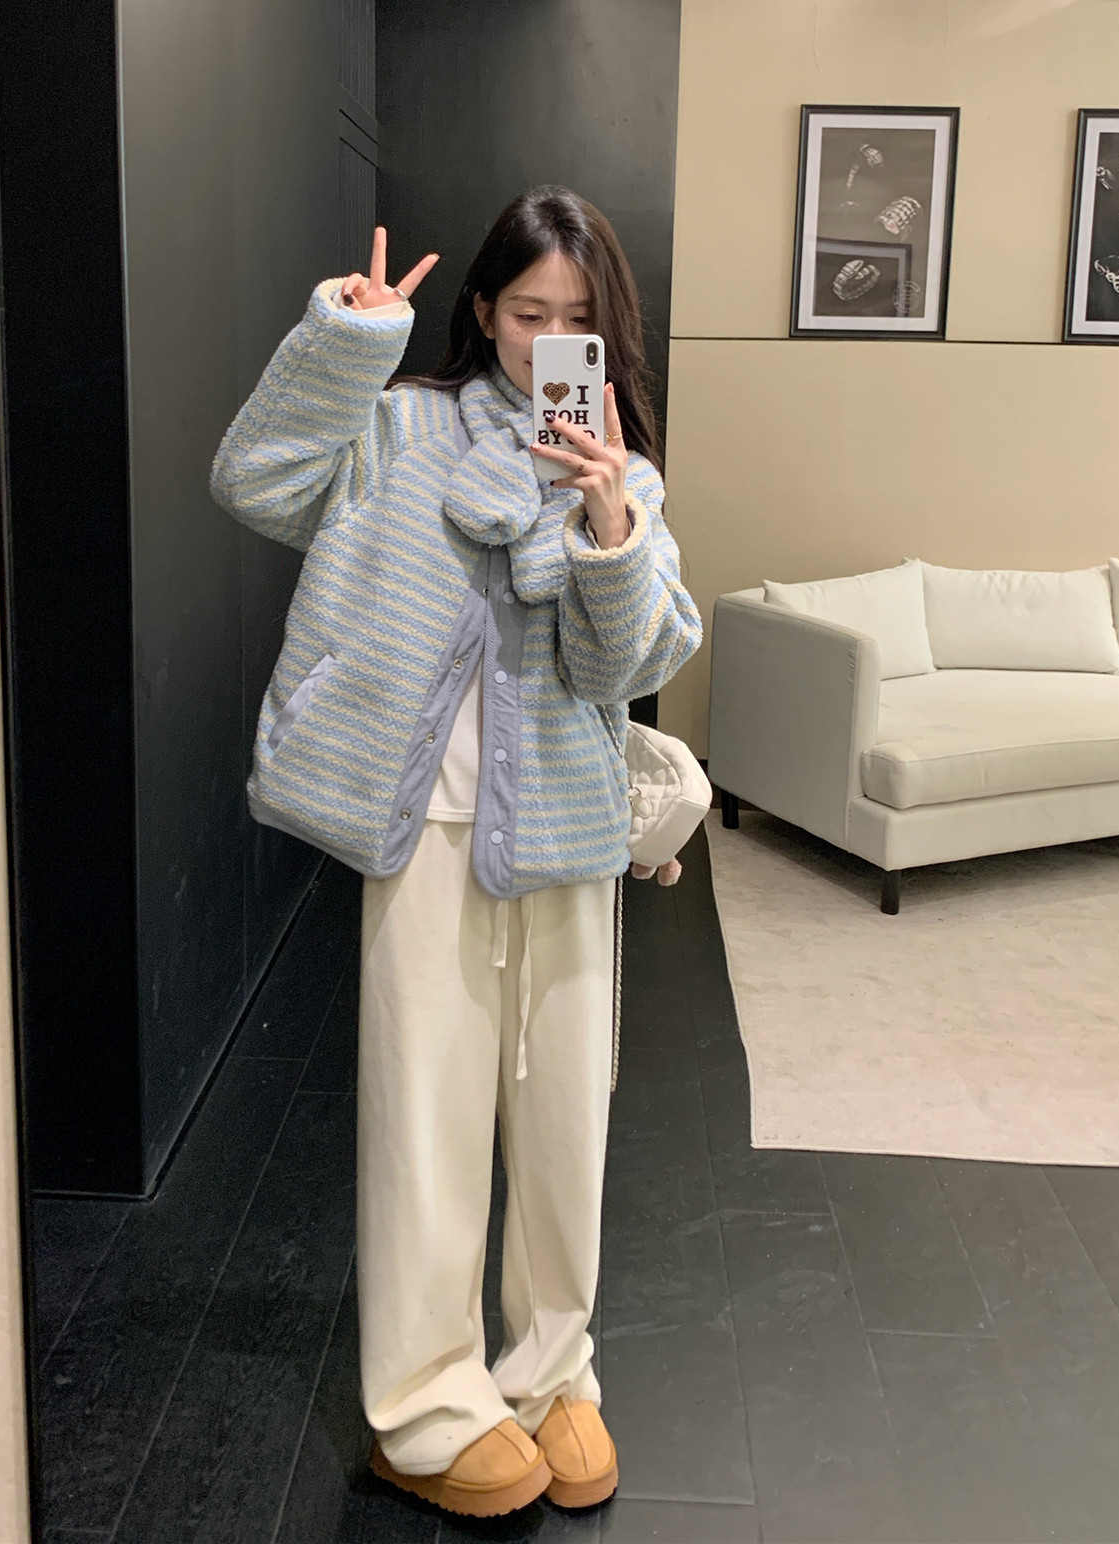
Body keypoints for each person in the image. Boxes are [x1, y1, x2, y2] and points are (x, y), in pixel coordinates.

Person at [210, 188, 702, 1519]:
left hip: (567, 832)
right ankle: (428, 1406)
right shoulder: (396, 425)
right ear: (481, 311)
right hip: (423, 825)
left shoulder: (623, 472)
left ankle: (554, 1376)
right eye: (528, 313)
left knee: (563, 1129)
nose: (550, 342)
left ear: (610, 331)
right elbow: (255, 482)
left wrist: (609, 526)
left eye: (578, 319)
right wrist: (344, 341)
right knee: (424, 1119)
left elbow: (628, 666)